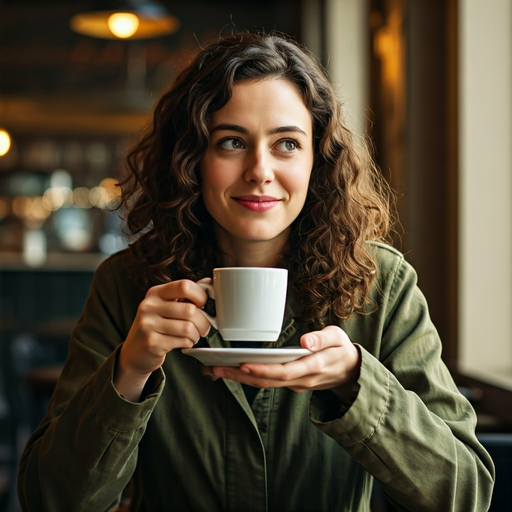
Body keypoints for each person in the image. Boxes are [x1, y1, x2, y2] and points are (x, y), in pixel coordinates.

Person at [18, 32, 494, 511]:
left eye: (287, 144)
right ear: (192, 160)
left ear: (318, 162)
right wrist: (130, 369)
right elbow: (51, 499)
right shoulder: (128, 285)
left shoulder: (382, 283)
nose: (260, 170)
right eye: (231, 142)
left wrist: (356, 381)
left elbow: (465, 494)